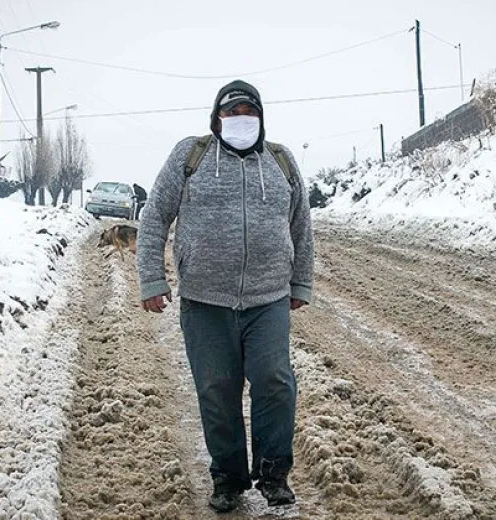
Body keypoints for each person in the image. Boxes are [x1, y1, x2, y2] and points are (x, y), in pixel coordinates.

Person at [136, 79, 314, 513]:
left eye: (247, 113)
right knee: (217, 389)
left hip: (267, 298)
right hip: (204, 301)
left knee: (274, 382)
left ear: (260, 118)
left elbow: (301, 225)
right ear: (217, 118)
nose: (239, 120)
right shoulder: (191, 156)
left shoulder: (281, 160)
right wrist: (151, 280)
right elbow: (155, 216)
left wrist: (300, 282)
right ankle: (228, 478)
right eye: (231, 113)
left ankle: (273, 474)